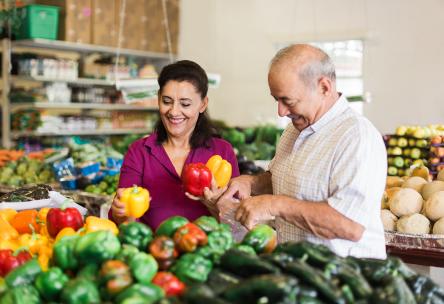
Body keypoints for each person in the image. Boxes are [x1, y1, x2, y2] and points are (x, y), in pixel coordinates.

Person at [220, 44, 387, 258]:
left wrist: (275, 205)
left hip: (345, 279)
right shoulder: (294, 128)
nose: (281, 112)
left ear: (324, 87)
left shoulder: (356, 137)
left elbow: (350, 226)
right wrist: (251, 183)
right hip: (302, 271)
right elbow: (285, 178)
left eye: (287, 101)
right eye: (276, 100)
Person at [110, 60, 239, 229]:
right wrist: (121, 213)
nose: (174, 111)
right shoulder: (139, 151)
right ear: (158, 99)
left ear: (203, 104)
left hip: (207, 251)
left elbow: (235, 224)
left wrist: (214, 205)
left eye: (185, 104)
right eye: (167, 101)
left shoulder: (222, 151)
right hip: (154, 251)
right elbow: (124, 223)